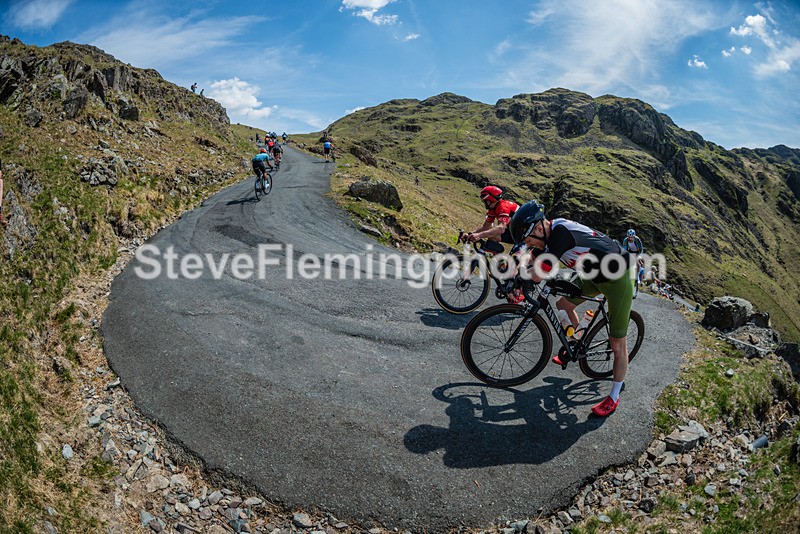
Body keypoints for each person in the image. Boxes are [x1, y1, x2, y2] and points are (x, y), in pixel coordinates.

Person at [509, 200, 634, 417]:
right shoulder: (546, 237)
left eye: (531, 240)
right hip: (594, 276)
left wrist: (520, 279)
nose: (533, 245)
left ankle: (614, 396)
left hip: (618, 279)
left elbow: (539, 274)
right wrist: (515, 274)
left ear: (538, 228)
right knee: (563, 304)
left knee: (617, 344)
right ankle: (579, 341)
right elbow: (530, 258)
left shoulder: (560, 234)